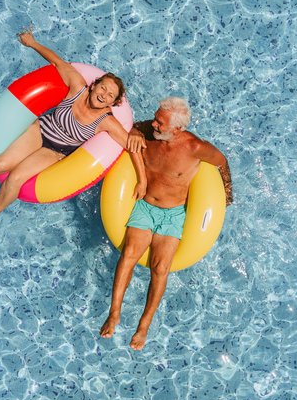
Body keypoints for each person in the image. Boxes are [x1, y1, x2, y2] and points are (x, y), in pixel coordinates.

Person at [0, 31, 132, 236]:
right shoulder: (78, 87)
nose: (103, 95)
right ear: (94, 85)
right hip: (40, 130)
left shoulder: (107, 121)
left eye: (110, 95)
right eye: (102, 88)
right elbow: (58, 62)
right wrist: (32, 43)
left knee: (15, 178)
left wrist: (139, 135)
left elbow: (130, 143)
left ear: (114, 103)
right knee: (0, 164)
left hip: (56, 151)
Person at [100, 97, 233, 350]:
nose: (154, 124)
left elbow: (221, 162)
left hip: (173, 214)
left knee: (160, 269)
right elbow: (132, 128)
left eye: (161, 123)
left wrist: (226, 193)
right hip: (145, 205)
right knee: (128, 255)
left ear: (178, 128)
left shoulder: (195, 148)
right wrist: (137, 131)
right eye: (155, 118)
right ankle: (114, 312)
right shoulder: (148, 133)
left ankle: (143, 326)